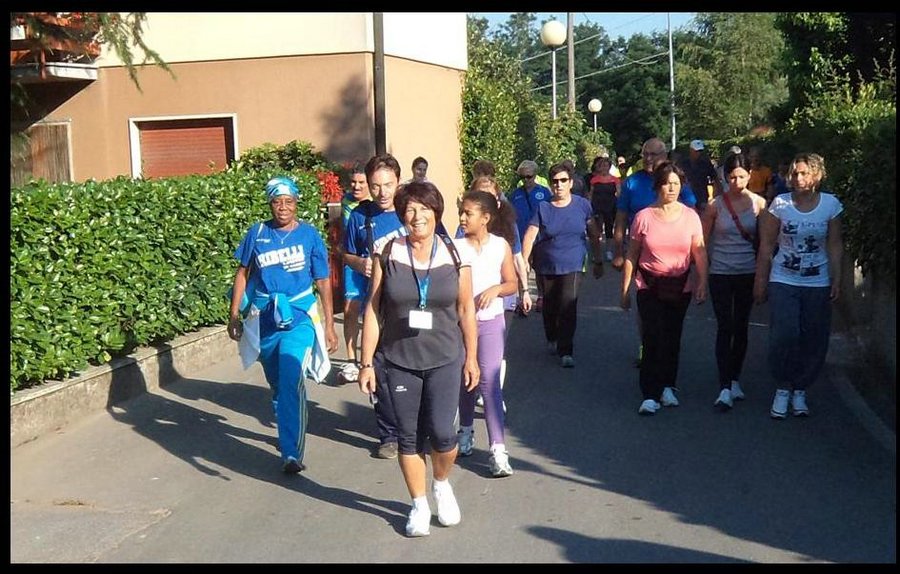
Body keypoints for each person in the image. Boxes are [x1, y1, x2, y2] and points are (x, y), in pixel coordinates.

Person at [357, 181, 479, 537]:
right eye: (410, 209)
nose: (417, 216)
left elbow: (466, 309)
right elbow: (374, 309)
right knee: (408, 438)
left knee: (443, 433)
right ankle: (419, 504)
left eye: (424, 208)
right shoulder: (387, 252)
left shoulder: (456, 253)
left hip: (445, 357)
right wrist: (366, 363)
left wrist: (472, 358)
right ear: (401, 215)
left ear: (436, 212)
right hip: (398, 360)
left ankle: (441, 483)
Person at [227, 176, 339, 473]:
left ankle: (291, 452)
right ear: (270, 204)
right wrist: (234, 315)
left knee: (291, 377)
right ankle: (286, 427)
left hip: (299, 316)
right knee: (277, 383)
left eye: (289, 201)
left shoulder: (309, 235)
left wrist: (329, 324)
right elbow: (242, 273)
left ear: (297, 203)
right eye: (277, 202)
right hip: (264, 319)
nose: (283, 207)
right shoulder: (257, 233)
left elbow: (323, 281)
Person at [753, 153, 843, 419]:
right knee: (785, 334)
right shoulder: (780, 204)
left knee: (814, 337)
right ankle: (782, 386)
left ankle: (800, 388)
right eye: (795, 173)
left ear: (817, 175)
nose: (799, 178)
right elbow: (767, 246)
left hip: (817, 281)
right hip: (784, 279)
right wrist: (760, 281)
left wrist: (837, 277)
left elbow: (835, 244)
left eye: (804, 173)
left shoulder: (830, 205)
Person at [619, 161, 708, 415]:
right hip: (649, 284)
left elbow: (699, 251)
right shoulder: (643, 217)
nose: (672, 188)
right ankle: (649, 393)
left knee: (672, 336)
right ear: (658, 186)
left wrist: (703, 281)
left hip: (680, 285)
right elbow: (632, 254)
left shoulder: (690, 217)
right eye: (667, 183)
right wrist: (625, 290)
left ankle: (668, 385)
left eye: (676, 184)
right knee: (652, 336)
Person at [343, 154, 408, 459]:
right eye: (376, 186)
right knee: (380, 369)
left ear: (399, 182)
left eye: (388, 185)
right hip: (379, 303)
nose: (382, 192)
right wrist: (360, 263)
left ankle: (415, 427)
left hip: (413, 303)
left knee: (411, 367)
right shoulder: (360, 216)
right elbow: (346, 254)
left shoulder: (413, 209)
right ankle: (389, 435)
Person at [613, 137, 697, 367]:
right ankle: (647, 346)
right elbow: (621, 217)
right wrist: (618, 250)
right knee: (646, 303)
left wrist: (695, 256)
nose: (648, 159)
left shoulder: (676, 181)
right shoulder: (632, 183)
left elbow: (692, 214)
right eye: (645, 154)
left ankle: (666, 351)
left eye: (654, 154)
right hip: (642, 250)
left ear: (665, 156)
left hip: (673, 254)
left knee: (670, 309)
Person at [455, 190, 518, 477]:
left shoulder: (500, 245)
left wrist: (496, 289)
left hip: (491, 321)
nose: (462, 217)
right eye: (462, 212)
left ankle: (498, 450)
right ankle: (465, 431)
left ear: (486, 218)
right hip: (460, 324)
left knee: (490, 382)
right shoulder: (455, 247)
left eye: (468, 213)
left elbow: (512, 283)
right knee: (467, 379)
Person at [522, 162, 604, 368]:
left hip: (574, 262)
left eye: (563, 180)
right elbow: (530, 235)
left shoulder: (582, 205)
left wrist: (598, 259)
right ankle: (552, 336)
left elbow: (594, 234)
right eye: (555, 181)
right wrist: (523, 261)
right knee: (550, 305)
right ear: (550, 184)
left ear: (571, 183)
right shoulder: (544, 207)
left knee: (568, 303)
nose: (559, 185)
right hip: (546, 263)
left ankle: (566, 350)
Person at [701, 152, 767, 410]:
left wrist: (761, 277)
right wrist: (701, 276)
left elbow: (765, 244)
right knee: (724, 325)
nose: (737, 182)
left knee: (741, 326)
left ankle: (735, 377)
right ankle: (724, 386)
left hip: (747, 272)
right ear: (725, 177)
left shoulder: (760, 204)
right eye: (732, 177)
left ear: (749, 175)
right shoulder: (715, 205)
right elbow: (702, 242)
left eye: (741, 176)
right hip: (720, 272)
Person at [338, 162, 370, 381]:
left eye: (361, 182)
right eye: (353, 182)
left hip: (372, 262)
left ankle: (370, 358)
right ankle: (351, 361)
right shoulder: (346, 200)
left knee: (373, 312)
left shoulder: (375, 203)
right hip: (352, 261)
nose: (356, 187)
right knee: (350, 309)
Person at [509, 160, 551, 312]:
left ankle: (541, 296)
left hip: (540, 236)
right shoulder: (515, 194)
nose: (526, 180)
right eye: (523, 177)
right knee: (522, 267)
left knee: (540, 268)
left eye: (529, 176)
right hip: (520, 235)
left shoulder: (544, 192)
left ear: (535, 175)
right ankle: (522, 299)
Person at [587, 155, 620, 262]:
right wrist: (588, 205)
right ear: (599, 167)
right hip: (597, 206)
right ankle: (597, 252)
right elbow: (591, 193)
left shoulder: (615, 180)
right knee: (597, 230)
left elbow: (619, 193)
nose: (604, 168)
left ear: (609, 167)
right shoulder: (594, 180)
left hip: (610, 206)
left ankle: (609, 251)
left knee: (609, 229)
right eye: (602, 166)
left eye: (606, 165)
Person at [680, 139, 722, 213]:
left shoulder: (705, 163)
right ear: (691, 150)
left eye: (700, 151)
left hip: (702, 196)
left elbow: (715, 177)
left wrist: (718, 191)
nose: (698, 153)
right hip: (686, 197)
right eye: (696, 151)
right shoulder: (683, 163)